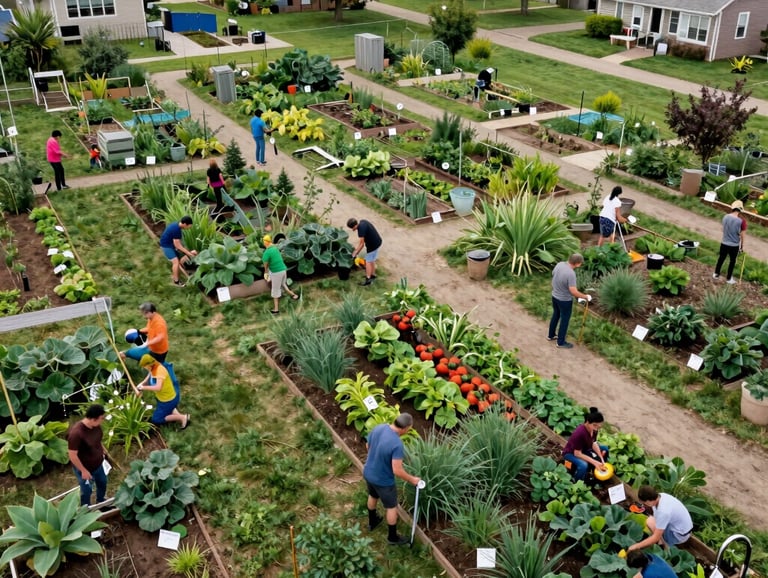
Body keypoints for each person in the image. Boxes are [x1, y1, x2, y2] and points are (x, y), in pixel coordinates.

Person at [363, 413, 421, 546]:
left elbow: (368, 446)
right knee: (391, 507)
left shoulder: (379, 428)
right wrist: (412, 480)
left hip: (368, 472)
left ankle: (372, 522)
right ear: (405, 428)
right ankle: (392, 537)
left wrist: (375, 459)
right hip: (383, 481)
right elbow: (397, 470)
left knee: (372, 495)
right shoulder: (397, 444)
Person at [628, 485, 693, 552]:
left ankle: (666, 547)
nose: (644, 505)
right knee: (650, 521)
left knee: (651, 524)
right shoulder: (661, 496)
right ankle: (662, 541)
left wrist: (636, 546)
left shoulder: (663, 511)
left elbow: (656, 538)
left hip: (678, 535)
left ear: (648, 501)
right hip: (682, 528)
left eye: (644, 503)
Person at [548, 253, 591, 349]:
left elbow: (553, 275)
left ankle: (551, 335)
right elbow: (573, 291)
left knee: (556, 315)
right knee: (564, 320)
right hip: (564, 301)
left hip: (555, 296)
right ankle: (560, 342)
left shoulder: (559, 264)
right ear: (577, 263)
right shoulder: (571, 273)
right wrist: (585, 296)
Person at [67, 404, 108, 506]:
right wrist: (83, 471)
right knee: (86, 490)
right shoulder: (76, 434)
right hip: (85, 467)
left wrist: (103, 449)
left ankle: (101, 501)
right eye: (101, 418)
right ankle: (86, 509)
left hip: (98, 464)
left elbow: (97, 440)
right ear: (93, 419)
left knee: (102, 482)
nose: (103, 420)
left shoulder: (96, 426)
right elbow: (72, 455)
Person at [136, 354, 189, 429]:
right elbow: (149, 375)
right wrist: (142, 383)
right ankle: (175, 413)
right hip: (162, 398)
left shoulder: (160, 371)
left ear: (148, 365)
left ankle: (182, 418)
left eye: (144, 366)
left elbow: (158, 387)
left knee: (157, 419)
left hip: (168, 399)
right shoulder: (154, 367)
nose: (144, 368)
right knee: (169, 409)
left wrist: (144, 387)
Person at [562, 407, 609, 481]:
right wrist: (594, 462)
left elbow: (594, 443)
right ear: (587, 422)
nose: (596, 428)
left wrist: (601, 458)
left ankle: (598, 470)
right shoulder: (580, 433)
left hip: (585, 449)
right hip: (571, 453)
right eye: (595, 425)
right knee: (583, 465)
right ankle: (576, 481)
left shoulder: (594, 429)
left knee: (605, 449)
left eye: (599, 426)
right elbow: (577, 454)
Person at [262, 234, 298, 315]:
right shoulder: (275, 248)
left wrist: (266, 272)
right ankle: (294, 295)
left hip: (276, 273)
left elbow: (266, 266)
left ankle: (276, 310)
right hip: (283, 270)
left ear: (265, 243)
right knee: (283, 284)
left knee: (275, 291)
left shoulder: (266, 253)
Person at [713, 200, 747, 284]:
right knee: (732, 261)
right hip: (734, 245)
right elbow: (742, 235)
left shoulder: (725, 217)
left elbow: (723, 229)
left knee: (721, 258)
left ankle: (716, 274)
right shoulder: (742, 221)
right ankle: (728, 278)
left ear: (733, 208)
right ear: (740, 210)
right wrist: (742, 247)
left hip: (724, 242)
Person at [159, 215, 198, 287]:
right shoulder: (176, 230)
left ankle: (183, 269)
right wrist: (189, 253)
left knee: (182, 257)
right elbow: (177, 245)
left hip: (170, 244)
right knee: (176, 262)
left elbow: (178, 244)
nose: (189, 228)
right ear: (185, 224)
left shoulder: (176, 225)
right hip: (166, 246)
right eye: (189, 226)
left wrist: (188, 252)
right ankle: (176, 281)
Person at [347, 218, 382, 286]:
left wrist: (355, 253)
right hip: (377, 241)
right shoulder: (363, 222)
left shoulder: (361, 230)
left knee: (368, 261)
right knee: (372, 260)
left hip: (373, 245)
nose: (352, 229)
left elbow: (362, 244)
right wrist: (356, 250)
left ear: (355, 225)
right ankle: (373, 275)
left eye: (352, 228)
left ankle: (368, 279)